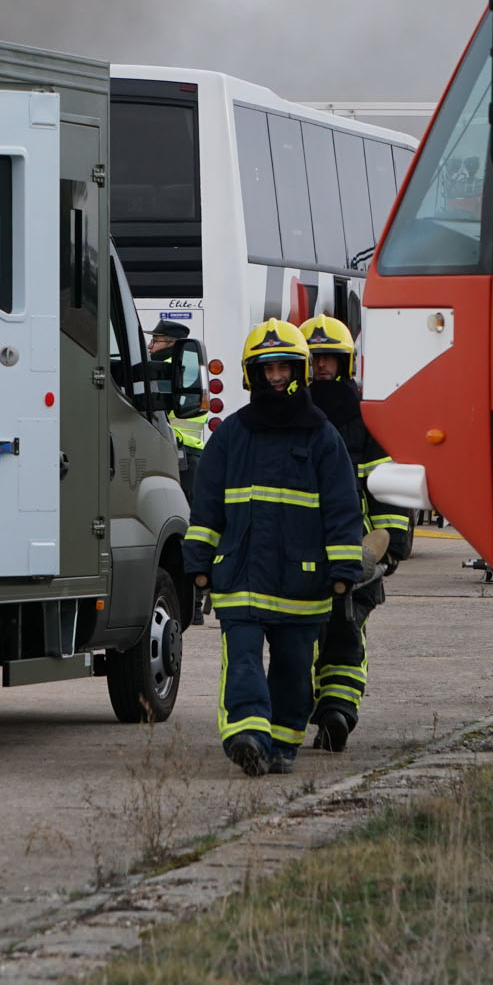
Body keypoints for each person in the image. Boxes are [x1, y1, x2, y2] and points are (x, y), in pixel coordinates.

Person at [181, 319, 365, 776]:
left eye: (284, 367)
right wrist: (198, 562)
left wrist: (344, 568)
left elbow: (343, 507)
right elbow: (205, 509)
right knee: (240, 658)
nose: (277, 377)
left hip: (302, 581)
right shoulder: (230, 436)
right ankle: (246, 735)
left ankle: (280, 745)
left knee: (293, 669)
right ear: (252, 374)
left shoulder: (323, 437)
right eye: (268, 369)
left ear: (298, 372)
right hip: (240, 574)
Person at [299, 314, 413, 751]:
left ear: (346, 363)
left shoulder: (368, 420)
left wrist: (385, 544)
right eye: (314, 358)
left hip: (355, 550)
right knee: (300, 636)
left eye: (330, 358)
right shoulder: (290, 417)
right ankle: (305, 704)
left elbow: (387, 489)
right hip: (299, 547)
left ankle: (338, 712)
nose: (322, 366)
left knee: (346, 632)